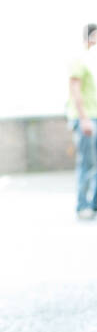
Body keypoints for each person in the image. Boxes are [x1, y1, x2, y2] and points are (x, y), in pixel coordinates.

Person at [67, 23, 97, 221]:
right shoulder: (80, 60)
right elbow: (75, 91)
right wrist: (84, 119)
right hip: (87, 119)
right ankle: (82, 204)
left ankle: (93, 203)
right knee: (87, 163)